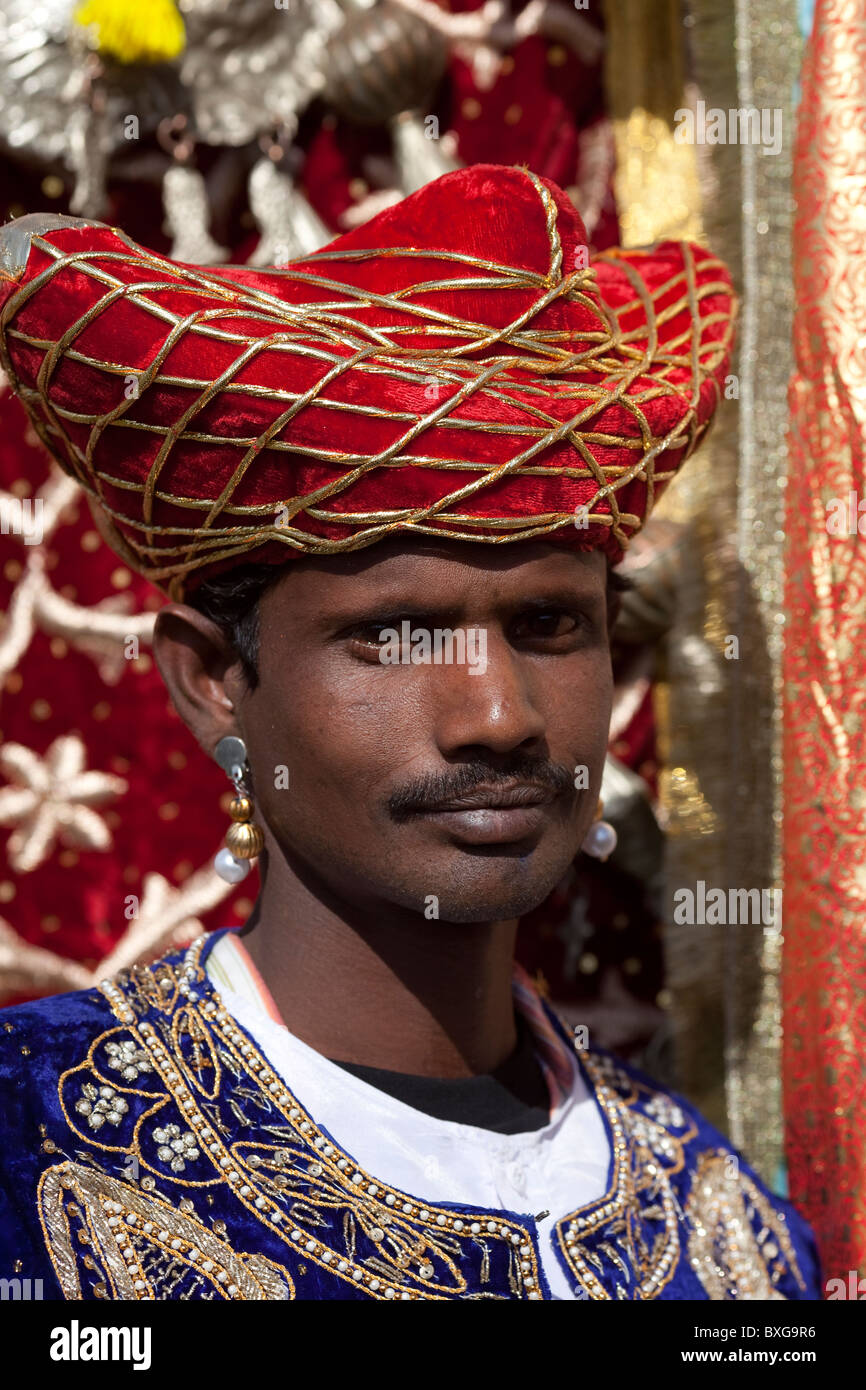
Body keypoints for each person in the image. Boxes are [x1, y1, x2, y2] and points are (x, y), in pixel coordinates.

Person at [0, 165, 820, 1300]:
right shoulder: (30, 1144)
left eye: (546, 623)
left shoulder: (725, 1233)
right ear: (213, 685)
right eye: (391, 634)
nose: (496, 715)